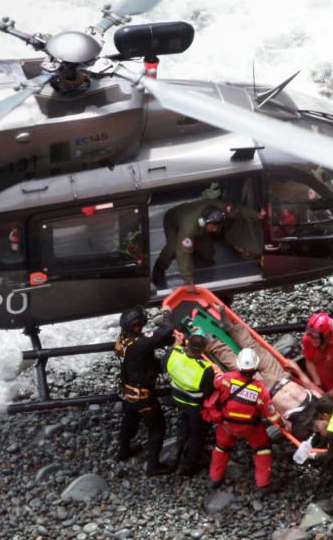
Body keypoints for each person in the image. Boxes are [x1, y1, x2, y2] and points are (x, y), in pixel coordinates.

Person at [202, 348, 285, 494]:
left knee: (221, 447)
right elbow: (271, 415)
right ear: (255, 368)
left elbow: (213, 385)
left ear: (239, 365)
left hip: (226, 424)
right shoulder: (261, 390)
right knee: (262, 449)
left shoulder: (226, 379)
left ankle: (214, 479)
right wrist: (283, 424)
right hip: (250, 428)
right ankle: (263, 484)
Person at [114, 305, 177, 476]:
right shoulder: (140, 344)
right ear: (137, 326)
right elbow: (166, 329)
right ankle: (153, 466)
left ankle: (123, 450)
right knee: (157, 429)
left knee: (130, 420)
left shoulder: (122, 340)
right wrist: (167, 313)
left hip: (129, 392)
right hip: (144, 396)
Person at [163, 328, 216, 476]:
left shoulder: (174, 354)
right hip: (194, 405)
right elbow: (208, 392)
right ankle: (188, 465)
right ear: (203, 349)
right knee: (197, 434)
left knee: (184, 426)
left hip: (177, 398)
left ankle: (175, 455)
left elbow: (164, 364)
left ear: (187, 343)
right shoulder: (205, 369)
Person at [152, 202, 227, 290]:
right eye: (213, 226)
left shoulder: (220, 208)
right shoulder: (189, 227)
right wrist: (188, 281)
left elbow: (237, 210)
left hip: (200, 229)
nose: (215, 230)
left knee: (208, 255)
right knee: (173, 249)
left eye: (217, 226)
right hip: (173, 221)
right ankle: (159, 266)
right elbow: (183, 252)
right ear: (203, 222)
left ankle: (194, 246)